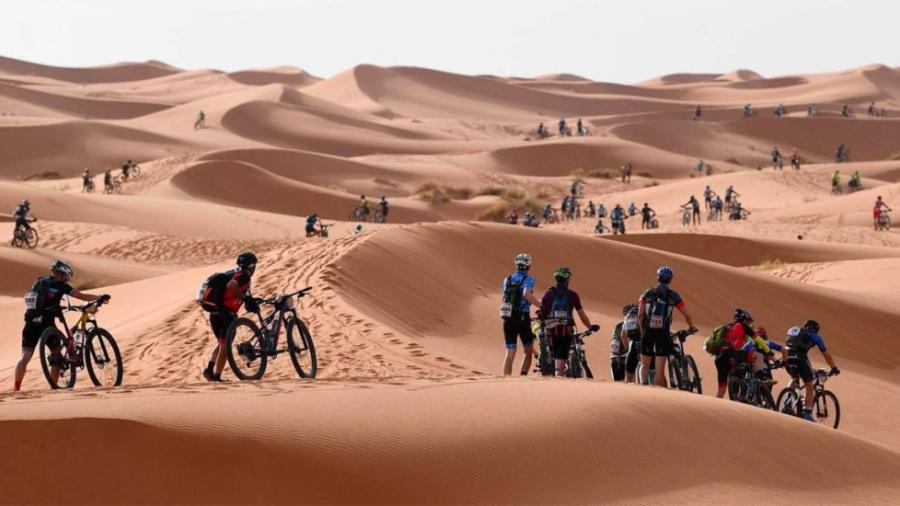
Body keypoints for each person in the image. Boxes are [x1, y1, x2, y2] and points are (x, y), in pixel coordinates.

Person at [14, 260, 110, 391]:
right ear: (63, 274)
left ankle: (16, 388)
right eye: (66, 277)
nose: (66, 280)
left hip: (30, 323)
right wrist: (99, 297)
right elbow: (81, 296)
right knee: (57, 354)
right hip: (47, 325)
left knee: (24, 356)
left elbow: (43, 301)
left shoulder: (39, 282)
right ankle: (54, 387)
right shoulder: (60, 285)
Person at [201, 252, 257, 382]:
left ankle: (210, 368)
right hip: (226, 315)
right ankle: (217, 377)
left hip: (215, 314)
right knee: (225, 347)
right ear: (251, 266)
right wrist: (243, 298)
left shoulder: (232, 273)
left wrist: (248, 300)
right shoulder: (244, 275)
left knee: (222, 345)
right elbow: (231, 286)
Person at [637, 266, 696, 387]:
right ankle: (658, 392)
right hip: (663, 333)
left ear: (658, 277)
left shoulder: (647, 293)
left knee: (645, 364)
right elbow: (687, 315)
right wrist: (691, 327)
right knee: (660, 369)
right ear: (670, 280)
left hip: (648, 331)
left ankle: (643, 387)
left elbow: (640, 315)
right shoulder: (674, 296)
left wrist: (642, 331)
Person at [538, 267, 598, 377]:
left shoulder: (548, 294)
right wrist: (590, 327)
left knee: (552, 356)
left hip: (550, 331)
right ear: (567, 279)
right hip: (566, 331)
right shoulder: (572, 295)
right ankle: (559, 378)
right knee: (561, 361)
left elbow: (542, 313)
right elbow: (582, 316)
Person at [784, 320, 840, 421]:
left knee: (794, 377)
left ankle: (788, 400)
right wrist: (834, 368)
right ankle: (807, 413)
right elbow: (826, 354)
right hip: (800, 358)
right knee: (809, 383)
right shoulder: (814, 335)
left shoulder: (795, 330)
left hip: (787, 357)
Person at [712, 309, 770, 398]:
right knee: (757, 355)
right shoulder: (743, 326)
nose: (748, 323)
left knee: (721, 390)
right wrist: (769, 352)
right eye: (747, 321)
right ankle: (761, 378)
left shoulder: (725, 327)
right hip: (731, 353)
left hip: (719, 358)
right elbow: (760, 341)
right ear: (743, 319)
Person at [500, 254, 542, 376]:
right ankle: (522, 377)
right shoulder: (529, 279)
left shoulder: (507, 279)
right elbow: (526, 294)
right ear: (529, 266)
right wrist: (541, 306)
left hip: (507, 317)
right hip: (523, 317)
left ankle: (506, 379)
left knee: (509, 352)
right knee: (528, 351)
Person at [619, 304, 643, 383]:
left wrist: (627, 348)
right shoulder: (642, 312)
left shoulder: (627, 317)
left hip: (633, 344)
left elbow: (622, 335)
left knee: (628, 378)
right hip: (645, 343)